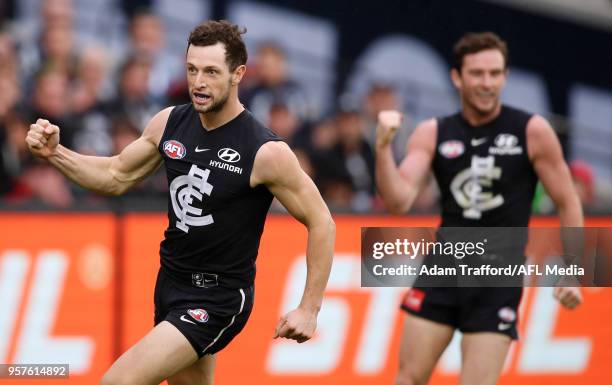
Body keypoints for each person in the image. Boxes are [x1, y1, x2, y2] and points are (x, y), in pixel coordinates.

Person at [25, 20, 335, 385]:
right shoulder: (169, 122)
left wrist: (309, 309)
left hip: (217, 300)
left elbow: (322, 222)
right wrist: (56, 153)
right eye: (191, 69)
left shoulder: (265, 151)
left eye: (211, 71)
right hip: (170, 285)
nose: (198, 81)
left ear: (238, 74)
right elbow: (114, 175)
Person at [375, 32, 583, 385]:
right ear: (457, 77)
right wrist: (381, 148)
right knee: (407, 378)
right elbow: (398, 201)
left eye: (495, 73)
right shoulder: (433, 132)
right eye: (477, 74)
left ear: (504, 76)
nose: (487, 83)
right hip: (444, 268)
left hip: (498, 280)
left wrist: (574, 268)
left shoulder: (531, 131)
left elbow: (568, 200)